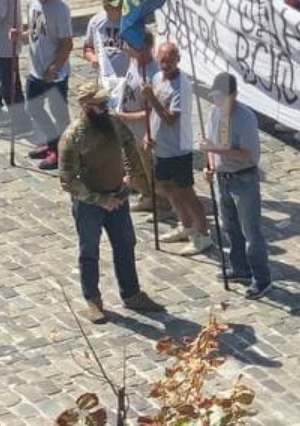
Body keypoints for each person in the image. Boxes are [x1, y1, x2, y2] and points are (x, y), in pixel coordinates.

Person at [57, 81, 166, 323]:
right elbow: (67, 180)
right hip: (89, 204)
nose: (105, 107)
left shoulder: (114, 124)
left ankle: (132, 294)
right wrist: (99, 200)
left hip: (118, 196)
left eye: (105, 103)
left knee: (126, 244)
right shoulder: (73, 137)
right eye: (99, 104)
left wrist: (130, 179)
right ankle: (93, 300)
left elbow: (129, 147)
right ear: (86, 106)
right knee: (89, 251)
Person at [201, 72, 270, 300]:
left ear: (234, 96)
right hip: (223, 179)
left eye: (223, 98)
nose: (218, 102)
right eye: (216, 97)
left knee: (251, 232)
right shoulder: (214, 114)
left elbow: (245, 155)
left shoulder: (245, 117)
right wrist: (209, 165)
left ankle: (261, 279)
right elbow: (211, 148)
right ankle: (239, 267)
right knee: (229, 227)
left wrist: (215, 150)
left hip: (243, 180)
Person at [144, 40, 212, 255]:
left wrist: (150, 98)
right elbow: (155, 114)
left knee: (187, 193)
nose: (166, 65)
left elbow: (171, 118)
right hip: (161, 147)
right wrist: (149, 134)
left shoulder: (181, 85)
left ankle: (203, 235)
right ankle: (186, 225)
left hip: (177, 149)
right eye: (162, 60)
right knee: (167, 188)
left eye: (170, 61)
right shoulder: (157, 77)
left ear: (178, 60)